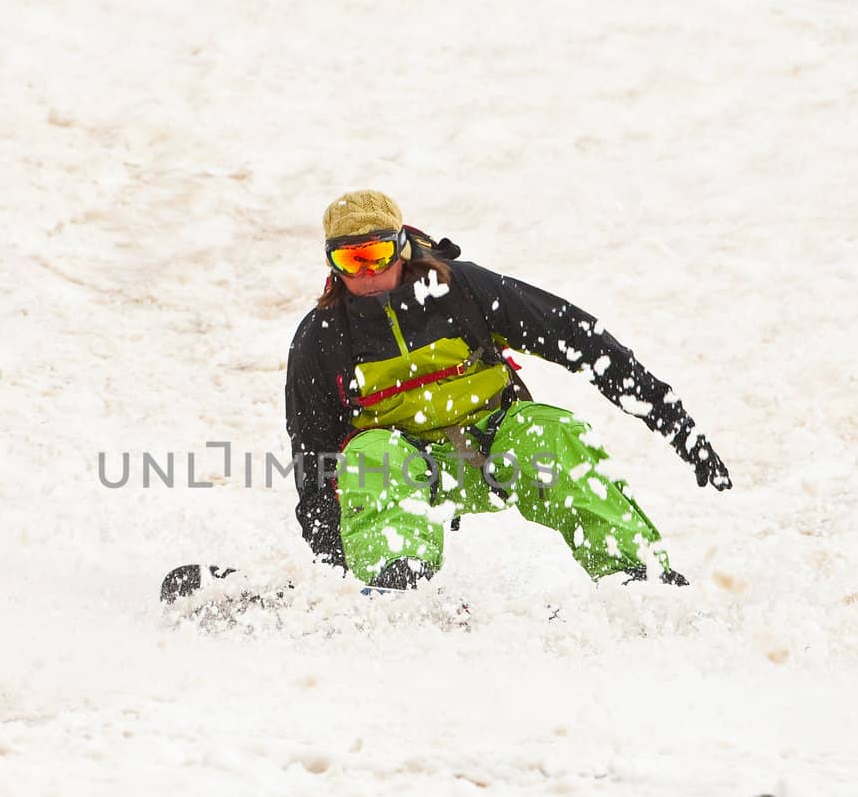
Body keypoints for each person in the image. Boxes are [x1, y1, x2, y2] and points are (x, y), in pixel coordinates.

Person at [284, 190, 732, 590]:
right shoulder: (322, 338)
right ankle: (395, 581)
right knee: (371, 455)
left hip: (496, 453)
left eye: (376, 254)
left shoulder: (460, 291)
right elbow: (313, 455)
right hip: (408, 473)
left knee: (553, 432)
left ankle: (634, 573)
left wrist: (674, 423)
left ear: (401, 246)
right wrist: (332, 573)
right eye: (349, 261)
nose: (365, 275)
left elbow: (580, 341)